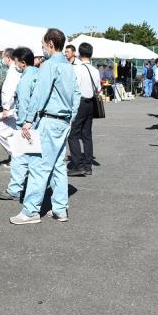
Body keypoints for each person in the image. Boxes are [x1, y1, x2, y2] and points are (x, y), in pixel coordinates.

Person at [11, 28, 80, 224]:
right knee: (58, 166)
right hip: (64, 120)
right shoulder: (68, 66)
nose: (42, 48)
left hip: (49, 120)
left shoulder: (49, 66)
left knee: (38, 166)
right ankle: (60, 208)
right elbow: (77, 94)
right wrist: (71, 117)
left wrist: (28, 120)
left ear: (51, 44)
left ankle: (31, 211)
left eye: (43, 44)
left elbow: (39, 95)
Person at [0, 47, 39, 201]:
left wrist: (24, 120)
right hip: (34, 121)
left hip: (25, 122)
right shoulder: (37, 74)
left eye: (15, 61)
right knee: (34, 159)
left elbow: (26, 103)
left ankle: (16, 190)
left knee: (20, 158)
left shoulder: (25, 78)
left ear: (21, 62)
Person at [67, 42, 101, 177]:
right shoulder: (95, 70)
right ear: (91, 54)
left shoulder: (77, 69)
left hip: (79, 103)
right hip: (91, 103)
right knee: (87, 135)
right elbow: (98, 89)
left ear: (79, 54)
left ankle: (78, 165)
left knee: (73, 134)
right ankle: (87, 165)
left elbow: (73, 88)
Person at [0, 48, 21, 161]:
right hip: (14, 108)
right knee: (14, 133)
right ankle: (17, 157)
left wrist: (6, 108)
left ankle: (17, 156)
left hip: (11, 109)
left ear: (8, 58)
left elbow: (10, 92)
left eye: (3, 57)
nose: (3, 60)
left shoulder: (13, 72)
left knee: (1, 132)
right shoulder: (16, 70)